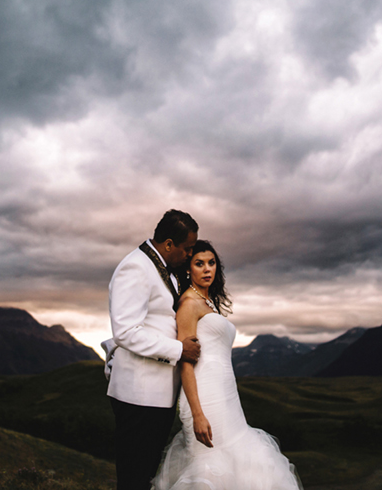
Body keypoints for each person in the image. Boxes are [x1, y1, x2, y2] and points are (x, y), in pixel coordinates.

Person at [153, 241, 301, 489]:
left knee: (236, 461)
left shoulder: (207, 303)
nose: (207, 269)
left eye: (211, 263)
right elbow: (185, 362)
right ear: (188, 269)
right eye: (199, 264)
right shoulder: (189, 304)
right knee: (213, 465)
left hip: (226, 396)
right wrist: (198, 414)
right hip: (205, 397)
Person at [107, 210, 202, 490]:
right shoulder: (135, 267)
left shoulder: (165, 270)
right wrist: (178, 349)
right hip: (139, 395)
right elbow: (125, 331)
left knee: (146, 473)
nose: (189, 255)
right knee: (134, 476)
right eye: (187, 249)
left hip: (157, 394)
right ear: (169, 244)